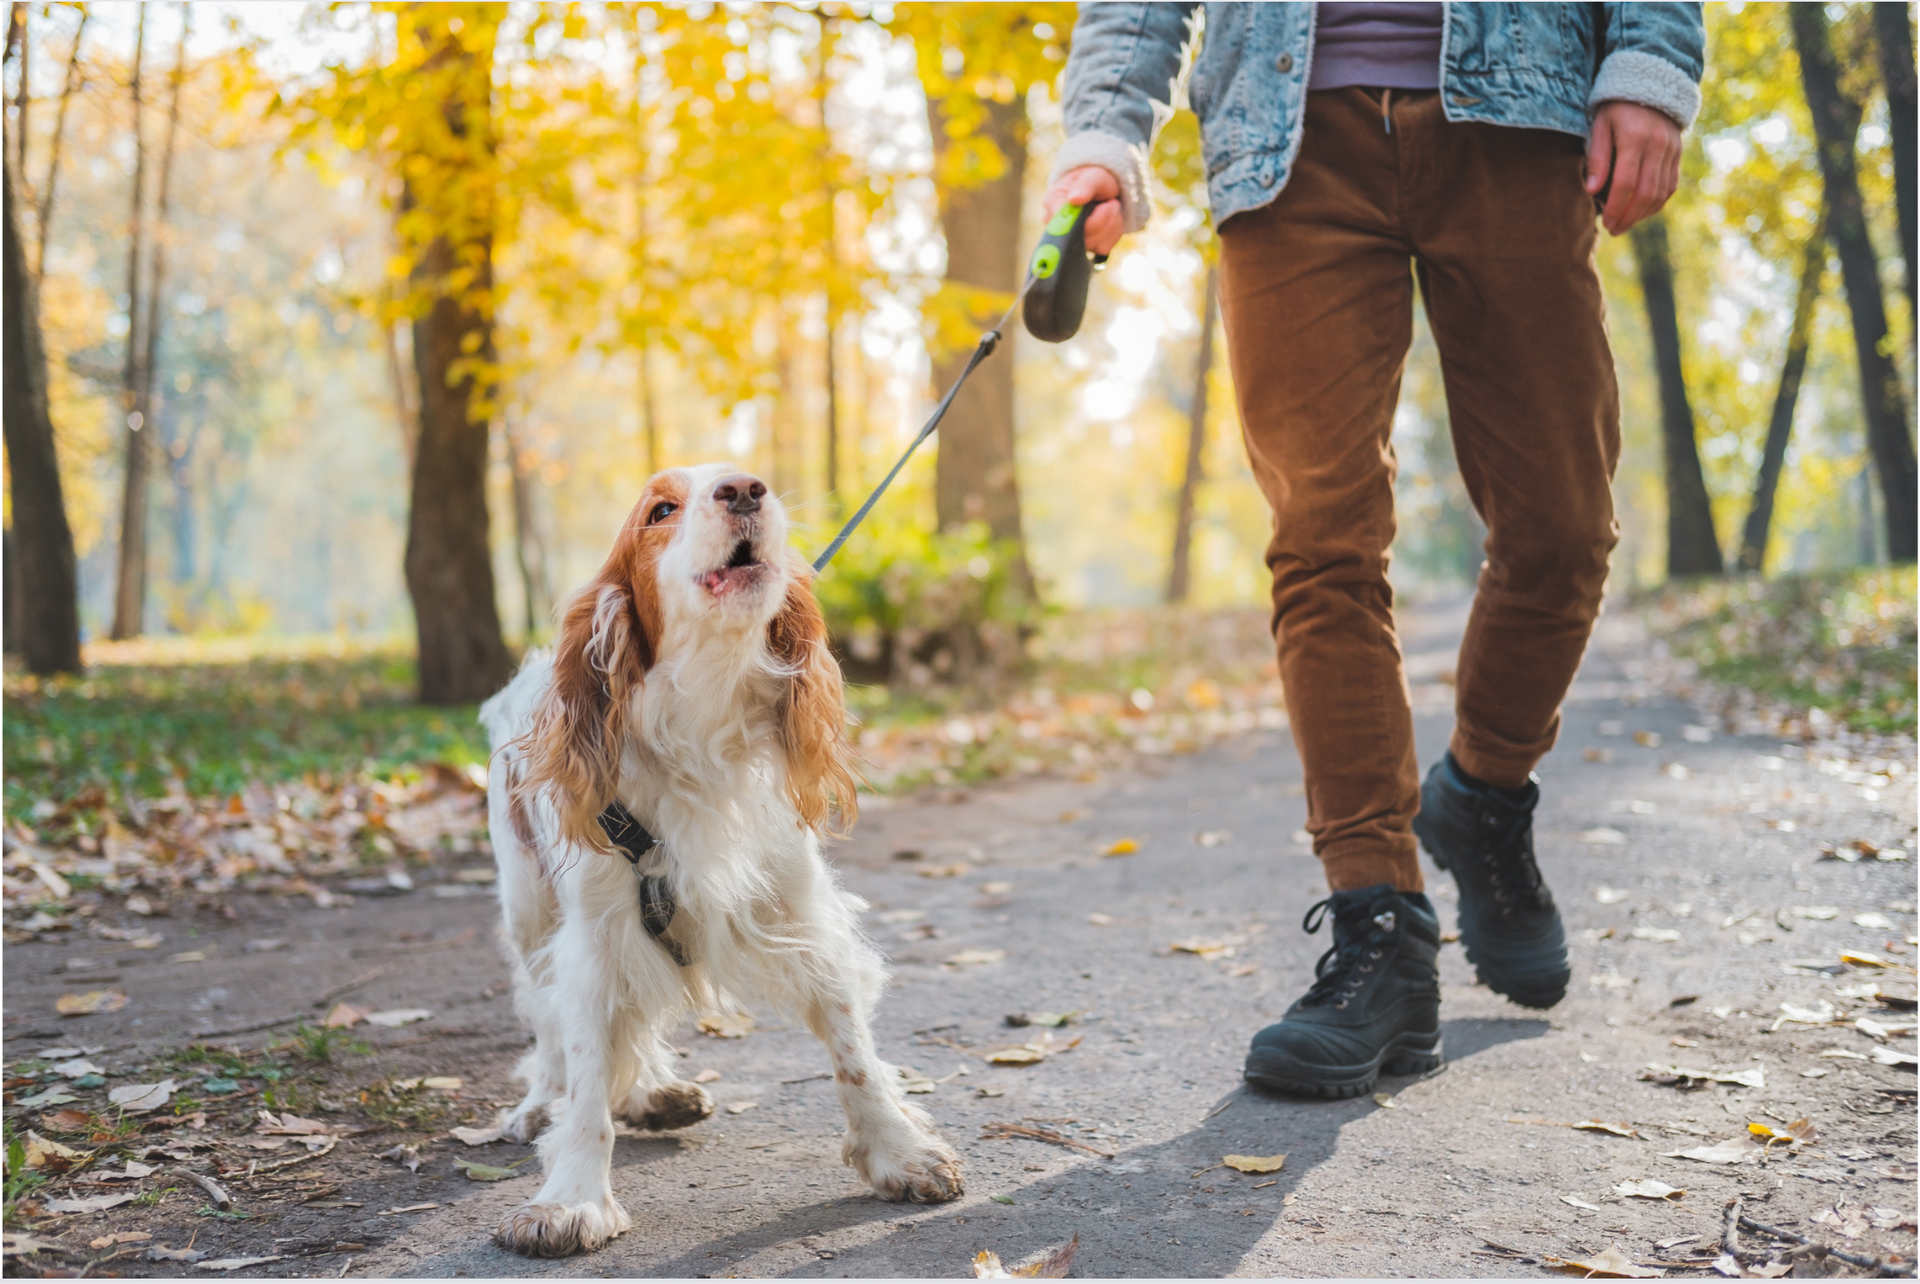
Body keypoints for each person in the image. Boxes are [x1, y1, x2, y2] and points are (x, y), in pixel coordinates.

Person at [1043, 4, 1705, 1098]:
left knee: (1562, 528)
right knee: (1321, 544)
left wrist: (1648, 61)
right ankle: (1379, 923)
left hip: (1519, 114)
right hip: (1284, 137)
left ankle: (1483, 795)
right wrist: (1104, 134)